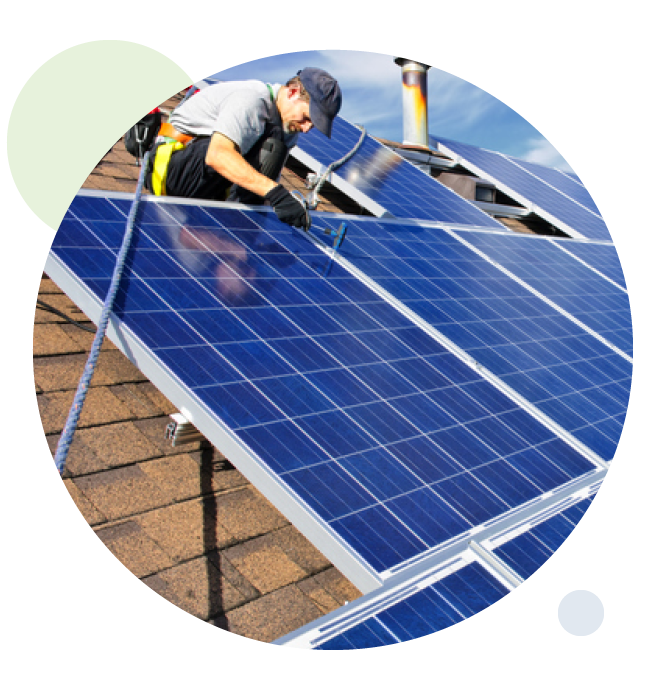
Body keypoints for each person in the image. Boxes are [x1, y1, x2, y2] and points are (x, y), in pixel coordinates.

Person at [146, 68, 342, 231]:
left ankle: (237, 233)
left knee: (274, 149)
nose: (307, 128)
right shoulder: (251, 100)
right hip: (171, 170)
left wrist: (274, 230)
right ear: (292, 92)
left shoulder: (287, 130)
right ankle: (232, 230)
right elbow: (217, 155)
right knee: (265, 148)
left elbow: (266, 185)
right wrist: (277, 195)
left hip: (208, 184)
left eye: (313, 125)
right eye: (306, 118)